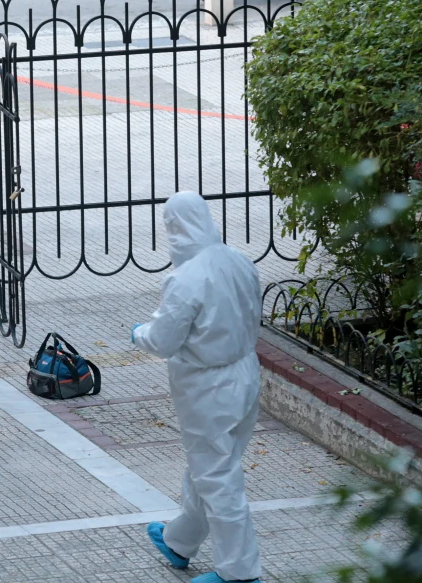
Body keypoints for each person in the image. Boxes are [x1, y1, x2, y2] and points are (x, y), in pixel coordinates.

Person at [131, 191, 262, 583]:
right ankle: (180, 539)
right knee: (211, 464)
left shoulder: (186, 278)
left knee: (217, 475)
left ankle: (239, 572)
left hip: (208, 387)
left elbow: (164, 340)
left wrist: (139, 333)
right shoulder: (239, 261)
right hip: (246, 372)